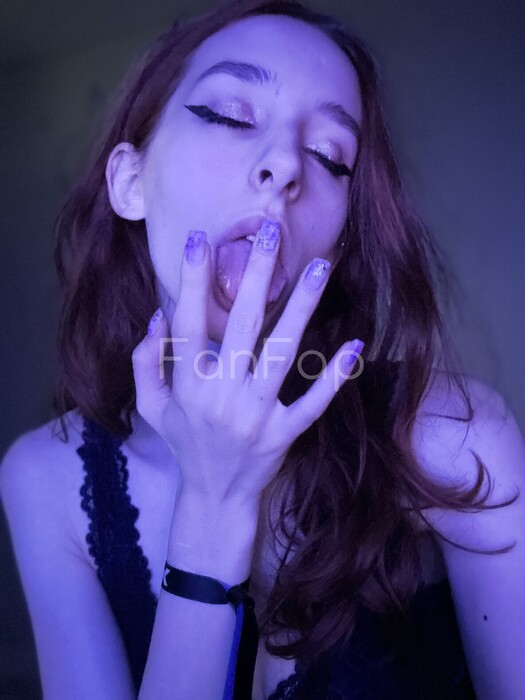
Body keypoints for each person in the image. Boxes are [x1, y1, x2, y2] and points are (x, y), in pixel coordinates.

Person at [1, 0, 524, 697]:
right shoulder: (43, 478)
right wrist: (213, 507)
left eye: (329, 156)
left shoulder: (456, 439)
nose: (284, 165)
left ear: (337, 243)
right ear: (130, 182)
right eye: (228, 115)